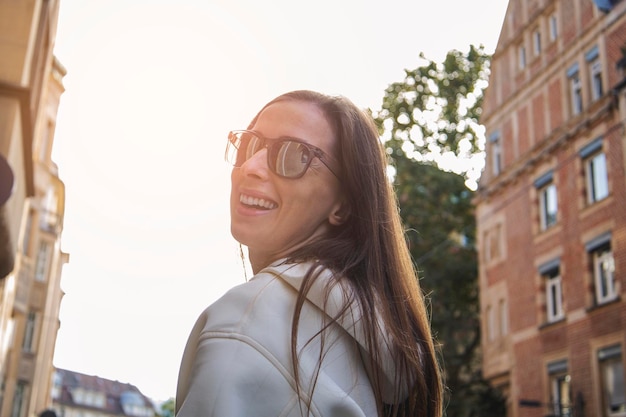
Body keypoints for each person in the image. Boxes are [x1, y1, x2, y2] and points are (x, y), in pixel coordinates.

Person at [175, 90, 443, 417]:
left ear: (342, 205)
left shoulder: (246, 319)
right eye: (250, 146)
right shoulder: (371, 349)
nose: (251, 167)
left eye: (293, 155)